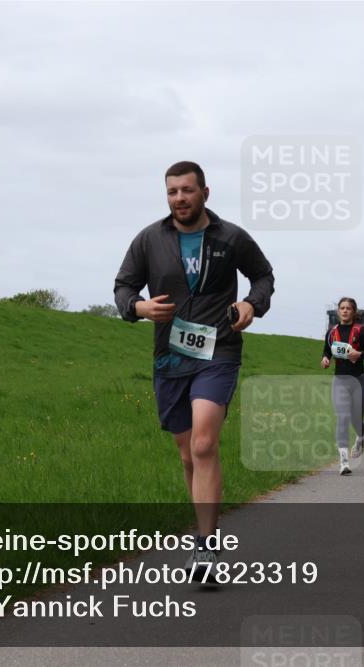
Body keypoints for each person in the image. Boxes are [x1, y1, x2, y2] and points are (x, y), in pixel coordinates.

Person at [114, 161, 275, 573]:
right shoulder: (149, 239)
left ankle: (205, 546)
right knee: (188, 456)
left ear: (205, 192)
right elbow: (123, 286)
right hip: (169, 355)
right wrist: (138, 307)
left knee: (204, 444)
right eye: (172, 192)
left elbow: (262, 275)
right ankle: (207, 530)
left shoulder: (230, 237)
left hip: (218, 350)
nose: (179, 198)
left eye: (187, 190)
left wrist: (250, 304)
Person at [321, 297, 364, 475]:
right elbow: (327, 350)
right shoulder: (331, 332)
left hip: (359, 381)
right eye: (342, 308)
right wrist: (325, 359)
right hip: (340, 381)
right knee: (342, 418)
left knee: (355, 418)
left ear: (354, 312)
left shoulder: (361, 331)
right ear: (338, 311)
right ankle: (343, 462)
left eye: (348, 308)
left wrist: (359, 354)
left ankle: (361, 436)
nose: (344, 311)